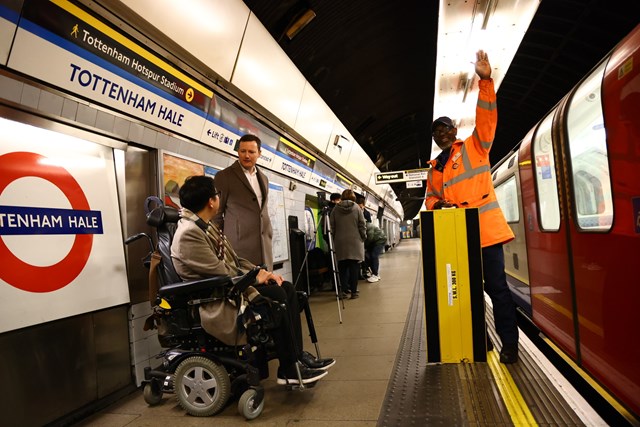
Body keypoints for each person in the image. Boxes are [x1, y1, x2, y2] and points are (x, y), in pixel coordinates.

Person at [171, 175, 335, 385]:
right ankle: (289, 368)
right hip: (215, 297)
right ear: (211, 201)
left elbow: (235, 260)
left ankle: (295, 357)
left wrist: (262, 273)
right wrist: (257, 278)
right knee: (277, 296)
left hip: (230, 287)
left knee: (286, 288)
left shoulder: (205, 225)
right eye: (217, 194)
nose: (218, 198)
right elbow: (220, 271)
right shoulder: (189, 233)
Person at [425, 50, 519, 364]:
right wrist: (440, 204)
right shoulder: (434, 168)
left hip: (487, 234)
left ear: (455, 131)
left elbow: (487, 116)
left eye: (446, 129)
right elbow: (429, 198)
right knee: (466, 293)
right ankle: (481, 342)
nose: (442, 135)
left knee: (497, 289)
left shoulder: (476, 146)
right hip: (457, 239)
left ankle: (510, 344)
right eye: (436, 133)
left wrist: (486, 80)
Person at [213, 134, 273, 270]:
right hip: (238, 248)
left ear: (259, 153)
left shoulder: (264, 178)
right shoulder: (224, 176)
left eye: (251, 152)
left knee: (268, 287)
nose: (246, 155)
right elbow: (217, 214)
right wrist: (220, 244)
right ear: (238, 151)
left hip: (264, 246)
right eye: (242, 151)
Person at [330, 189, 366, 299]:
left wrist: (334, 238)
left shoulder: (336, 209)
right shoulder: (357, 208)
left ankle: (343, 291)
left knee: (342, 268)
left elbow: (332, 226)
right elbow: (362, 224)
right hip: (355, 242)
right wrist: (363, 237)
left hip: (340, 242)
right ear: (353, 197)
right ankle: (354, 292)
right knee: (354, 268)